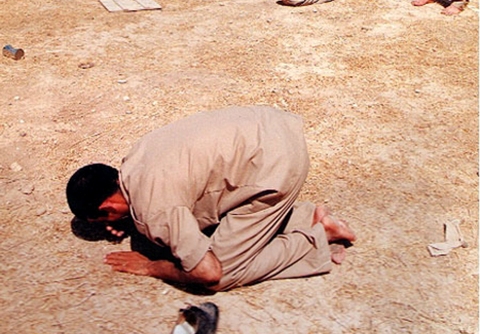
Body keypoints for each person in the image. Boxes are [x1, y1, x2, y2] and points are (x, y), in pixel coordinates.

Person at [66, 106, 356, 292]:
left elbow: (208, 272)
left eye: (103, 220)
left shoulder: (153, 211)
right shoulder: (135, 159)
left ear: (107, 208)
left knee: (225, 273)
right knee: (213, 210)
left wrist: (152, 267)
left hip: (277, 168)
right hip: (275, 129)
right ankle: (306, 216)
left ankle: (317, 237)